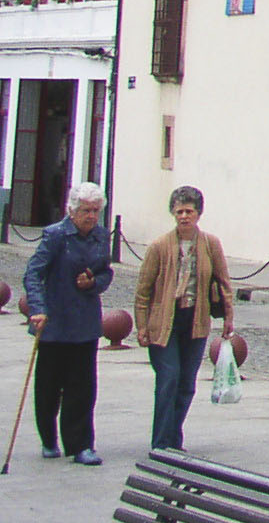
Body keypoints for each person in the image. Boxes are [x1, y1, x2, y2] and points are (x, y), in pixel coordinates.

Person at [132, 185, 234, 453]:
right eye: (179, 211)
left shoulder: (210, 244)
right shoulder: (159, 246)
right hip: (164, 321)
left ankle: (173, 438)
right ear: (172, 213)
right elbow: (143, 290)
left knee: (187, 382)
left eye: (189, 211)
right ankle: (162, 443)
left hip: (195, 319)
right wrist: (141, 326)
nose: (184, 217)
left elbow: (223, 283)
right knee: (169, 378)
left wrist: (228, 319)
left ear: (198, 214)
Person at [22, 181, 113, 465]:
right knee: (49, 387)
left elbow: (106, 273)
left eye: (95, 211)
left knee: (83, 388)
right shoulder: (55, 235)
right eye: (85, 210)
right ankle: (49, 439)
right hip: (53, 322)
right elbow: (33, 274)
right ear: (72, 211)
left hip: (85, 323)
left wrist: (93, 283)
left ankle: (81, 445)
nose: (90, 216)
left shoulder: (100, 236)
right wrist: (37, 309)